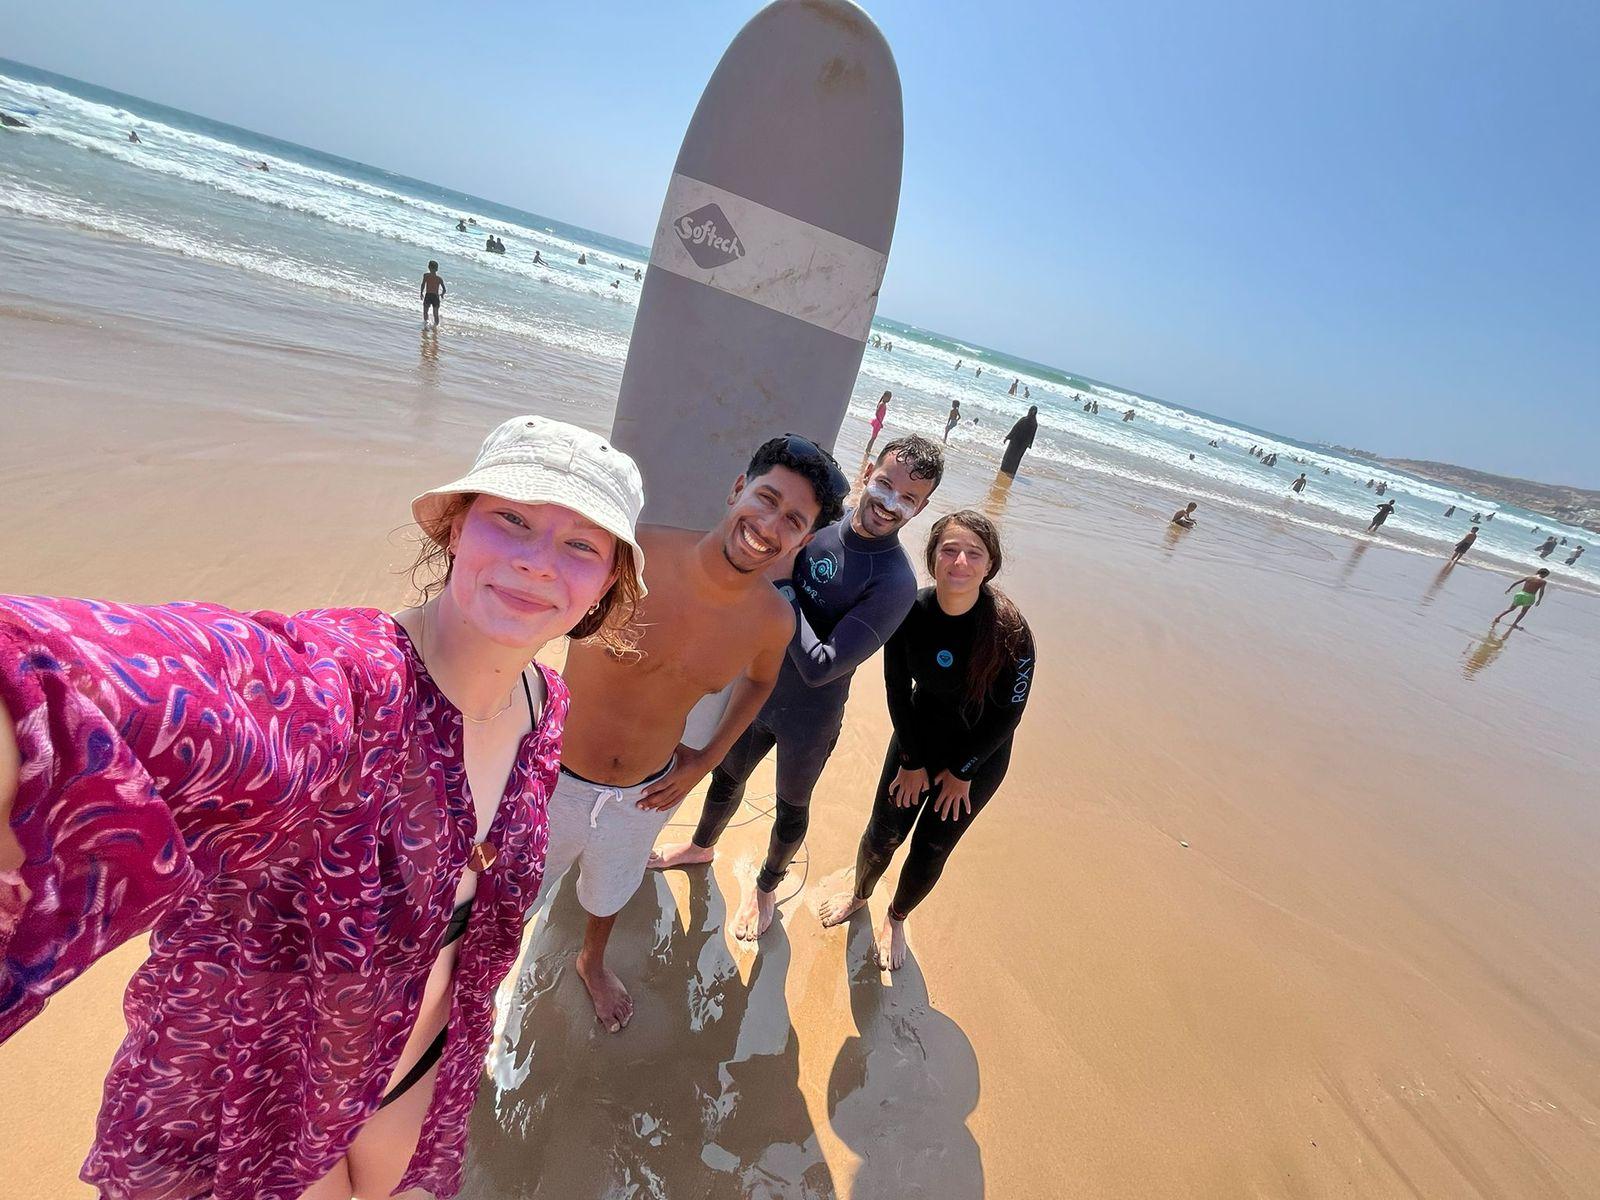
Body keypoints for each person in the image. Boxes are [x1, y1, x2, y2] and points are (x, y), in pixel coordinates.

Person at [0, 416, 647, 1200]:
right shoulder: (349, 683)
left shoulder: (546, 708)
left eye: (582, 545)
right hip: (251, 1100)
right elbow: (150, 693)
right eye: (511, 518)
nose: (538, 562)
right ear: (454, 526)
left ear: (607, 585)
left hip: (419, 1075)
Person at [535, 435, 848, 1032]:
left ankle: (591, 960)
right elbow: (541, 605)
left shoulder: (771, 619)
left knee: (612, 888)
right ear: (737, 489)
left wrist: (707, 758)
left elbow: (758, 685)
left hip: (646, 791)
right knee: (508, 894)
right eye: (766, 498)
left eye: (793, 520)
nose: (769, 525)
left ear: (803, 540)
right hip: (552, 773)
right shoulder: (637, 552)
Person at [652, 436, 942, 941]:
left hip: (810, 715)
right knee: (726, 779)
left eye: (908, 499)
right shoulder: (818, 525)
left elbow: (820, 665)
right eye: (885, 484)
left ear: (921, 507)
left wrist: (784, 585)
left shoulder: (894, 583)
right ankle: (701, 847)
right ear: (868, 470)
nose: (889, 503)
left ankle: (766, 887)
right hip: (757, 688)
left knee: (790, 809)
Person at [818, 511, 1035, 970]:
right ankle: (860, 896)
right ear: (932, 557)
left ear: (989, 564)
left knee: (932, 847)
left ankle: (896, 917)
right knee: (882, 836)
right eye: (949, 550)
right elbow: (896, 689)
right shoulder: (910, 611)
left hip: (979, 757)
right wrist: (912, 761)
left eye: (973, 553)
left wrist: (962, 773)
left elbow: (1008, 714)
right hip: (917, 740)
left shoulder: (1010, 631)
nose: (960, 561)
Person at [1000, 405, 1038, 477]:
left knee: (1010, 456)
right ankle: (1011, 471)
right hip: (1021, 444)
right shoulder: (1033, 423)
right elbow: (1015, 429)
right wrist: (1029, 444)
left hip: (1017, 442)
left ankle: (1004, 470)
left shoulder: (1026, 421)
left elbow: (1015, 429)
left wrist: (1007, 437)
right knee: (1015, 458)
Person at [421, 260, 446, 328]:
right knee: (425, 311)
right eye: (432, 268)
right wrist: (421, 293)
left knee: (435, 313)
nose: (432, 270)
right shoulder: (426, 276)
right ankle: (426, 324)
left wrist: (442, 294)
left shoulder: (439, 278)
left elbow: (444, 289)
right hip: (429, 295)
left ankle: (436, 326)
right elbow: (423, 284)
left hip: (434, 296)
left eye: (433, 269)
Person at [865, 390, 891, 455]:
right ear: (884, 396)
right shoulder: (882, 404)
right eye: (888, 397)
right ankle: (867, 450)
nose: (889, 399)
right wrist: (880, 422)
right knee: (873, 437)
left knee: (874, 437)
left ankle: (868, 449)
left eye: (890, 398)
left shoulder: (884, 404)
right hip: (877, 422)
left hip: (879, 422)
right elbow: (876, 413)